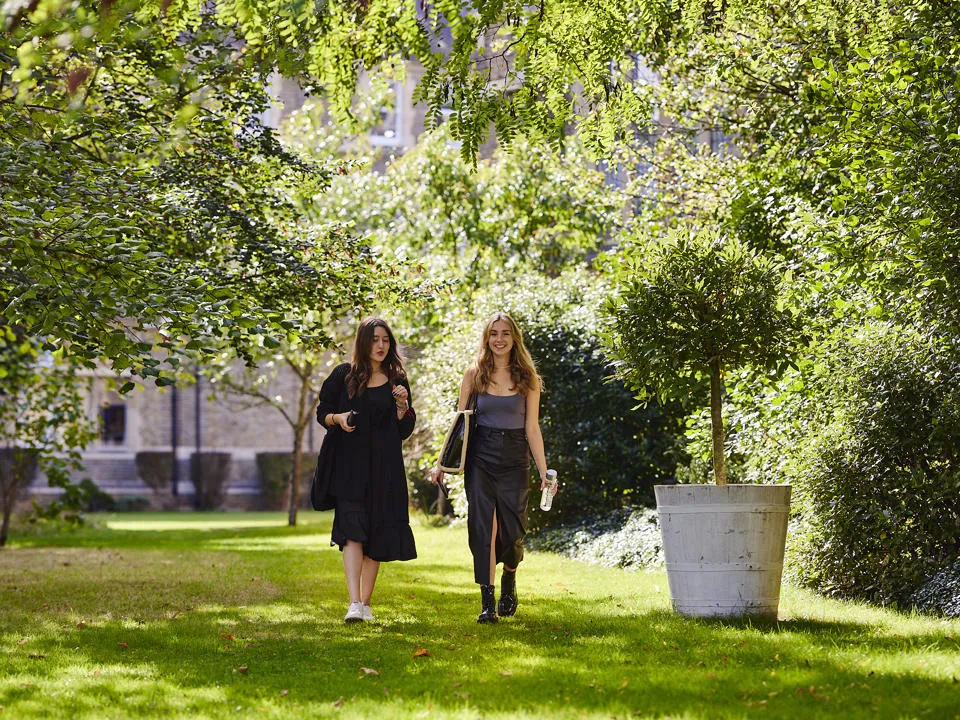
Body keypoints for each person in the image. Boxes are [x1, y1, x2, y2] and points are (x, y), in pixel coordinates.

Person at [432, 312, 553, 623]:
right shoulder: (475, 373)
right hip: (481, 457)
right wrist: (441, 464)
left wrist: (544, 473)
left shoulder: (528, 378)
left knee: (514, 531)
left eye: (505, 334)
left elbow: (532, 429)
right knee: (484, 527)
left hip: (515, 457)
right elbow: (460, 423)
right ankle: (487, 601)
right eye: (494, 333)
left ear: (515, 339)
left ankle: (509, 578)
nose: (499, 339)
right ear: (486, 338)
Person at [316, 317, 417, 623]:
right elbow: (323, 412)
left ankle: (366, 602)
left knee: (376, 532)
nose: (381, 345)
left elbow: (406, 428)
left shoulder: (397, 378)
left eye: (385, 340)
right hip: (350, 467)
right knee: (351, 532)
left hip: (385, 469)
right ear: (363, 342)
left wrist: (402, 408)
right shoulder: (343, 375)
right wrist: (339, 418)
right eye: (374, 339)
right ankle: (354, 602)